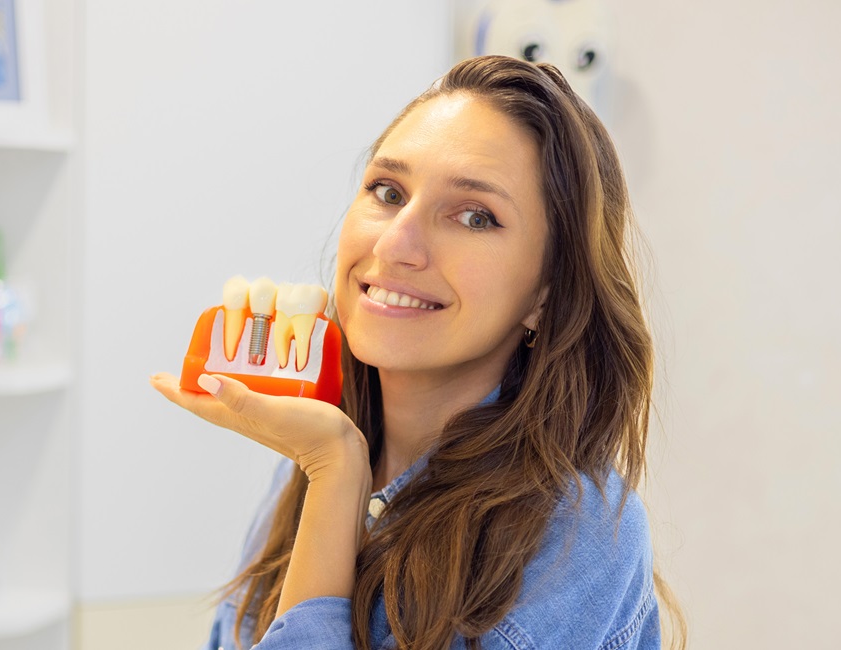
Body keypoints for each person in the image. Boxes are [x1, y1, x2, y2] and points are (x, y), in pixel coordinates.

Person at [151, 55, 685, 649]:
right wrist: (331, 461)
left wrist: (334, 471)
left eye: (474, 216)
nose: (396, 242)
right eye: (387, 191)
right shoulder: (308, 453)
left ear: (545, 292)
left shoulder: (576, 539)